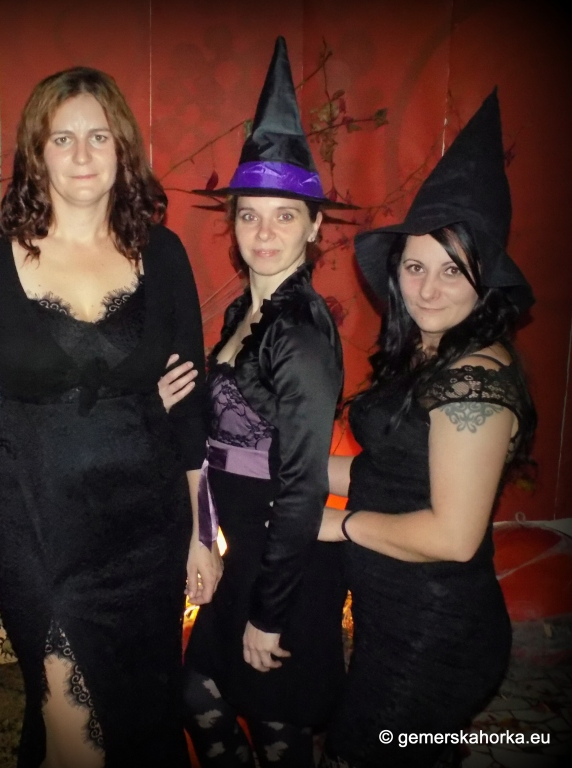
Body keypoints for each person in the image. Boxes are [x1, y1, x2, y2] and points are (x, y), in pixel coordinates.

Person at [0, 66, 217, 768]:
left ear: (122, 149)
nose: (82, 154)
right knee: (73, 732)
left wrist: (202, 535)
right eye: (62, 138)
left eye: (99, 137)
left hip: (147, 525)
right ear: (36, 153)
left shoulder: (162, 253)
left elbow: (190, 410)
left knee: (142, 719)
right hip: (37, 522)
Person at [317, 90, 536, 768]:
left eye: (452, 270)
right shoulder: (431, 351)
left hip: (434, 633)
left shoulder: (474, 378)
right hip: (395, 618)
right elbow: (391, 473)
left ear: (484, 280)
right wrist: (279, 465)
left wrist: (335, 524)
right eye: (416, 267)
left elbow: (453, 534)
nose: (429, 289)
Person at [163, 37, 349, 768]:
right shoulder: (249, 312)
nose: (264, 233)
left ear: (315, 225)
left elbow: (302, 485)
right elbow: (227, 439)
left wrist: (271, 616)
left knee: (277, 730)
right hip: (248, 555)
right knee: (199, 693)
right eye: (249, 216)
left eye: (284, 216)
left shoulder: (297, 333)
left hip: (287, 568)